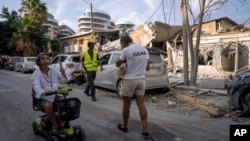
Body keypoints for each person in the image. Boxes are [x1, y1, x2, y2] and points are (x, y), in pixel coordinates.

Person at [116, 34, 150, 137]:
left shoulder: (126, 50)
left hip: (129, 80)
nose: (121, 46)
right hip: (141, 80)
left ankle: (124, 125)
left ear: (124, 43)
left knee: (126, 104)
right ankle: (145, 129)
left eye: (121, 44)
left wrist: (121, 59)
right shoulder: (144, 49)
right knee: (141, 104)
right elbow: (147, 68)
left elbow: (118, 64)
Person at [31, 52, 69, 131]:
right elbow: (36, 86)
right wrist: (43, 92)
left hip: (55, 94)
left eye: (47, 58)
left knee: (64, 101)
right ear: (39, 61)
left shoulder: (53, 70)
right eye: (43, 58)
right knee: (48, 105)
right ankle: (54, 125)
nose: (45, 60)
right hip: (43, 97)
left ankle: (60, 122)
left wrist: (64, 74)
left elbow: (64, 80)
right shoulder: (36, 74)